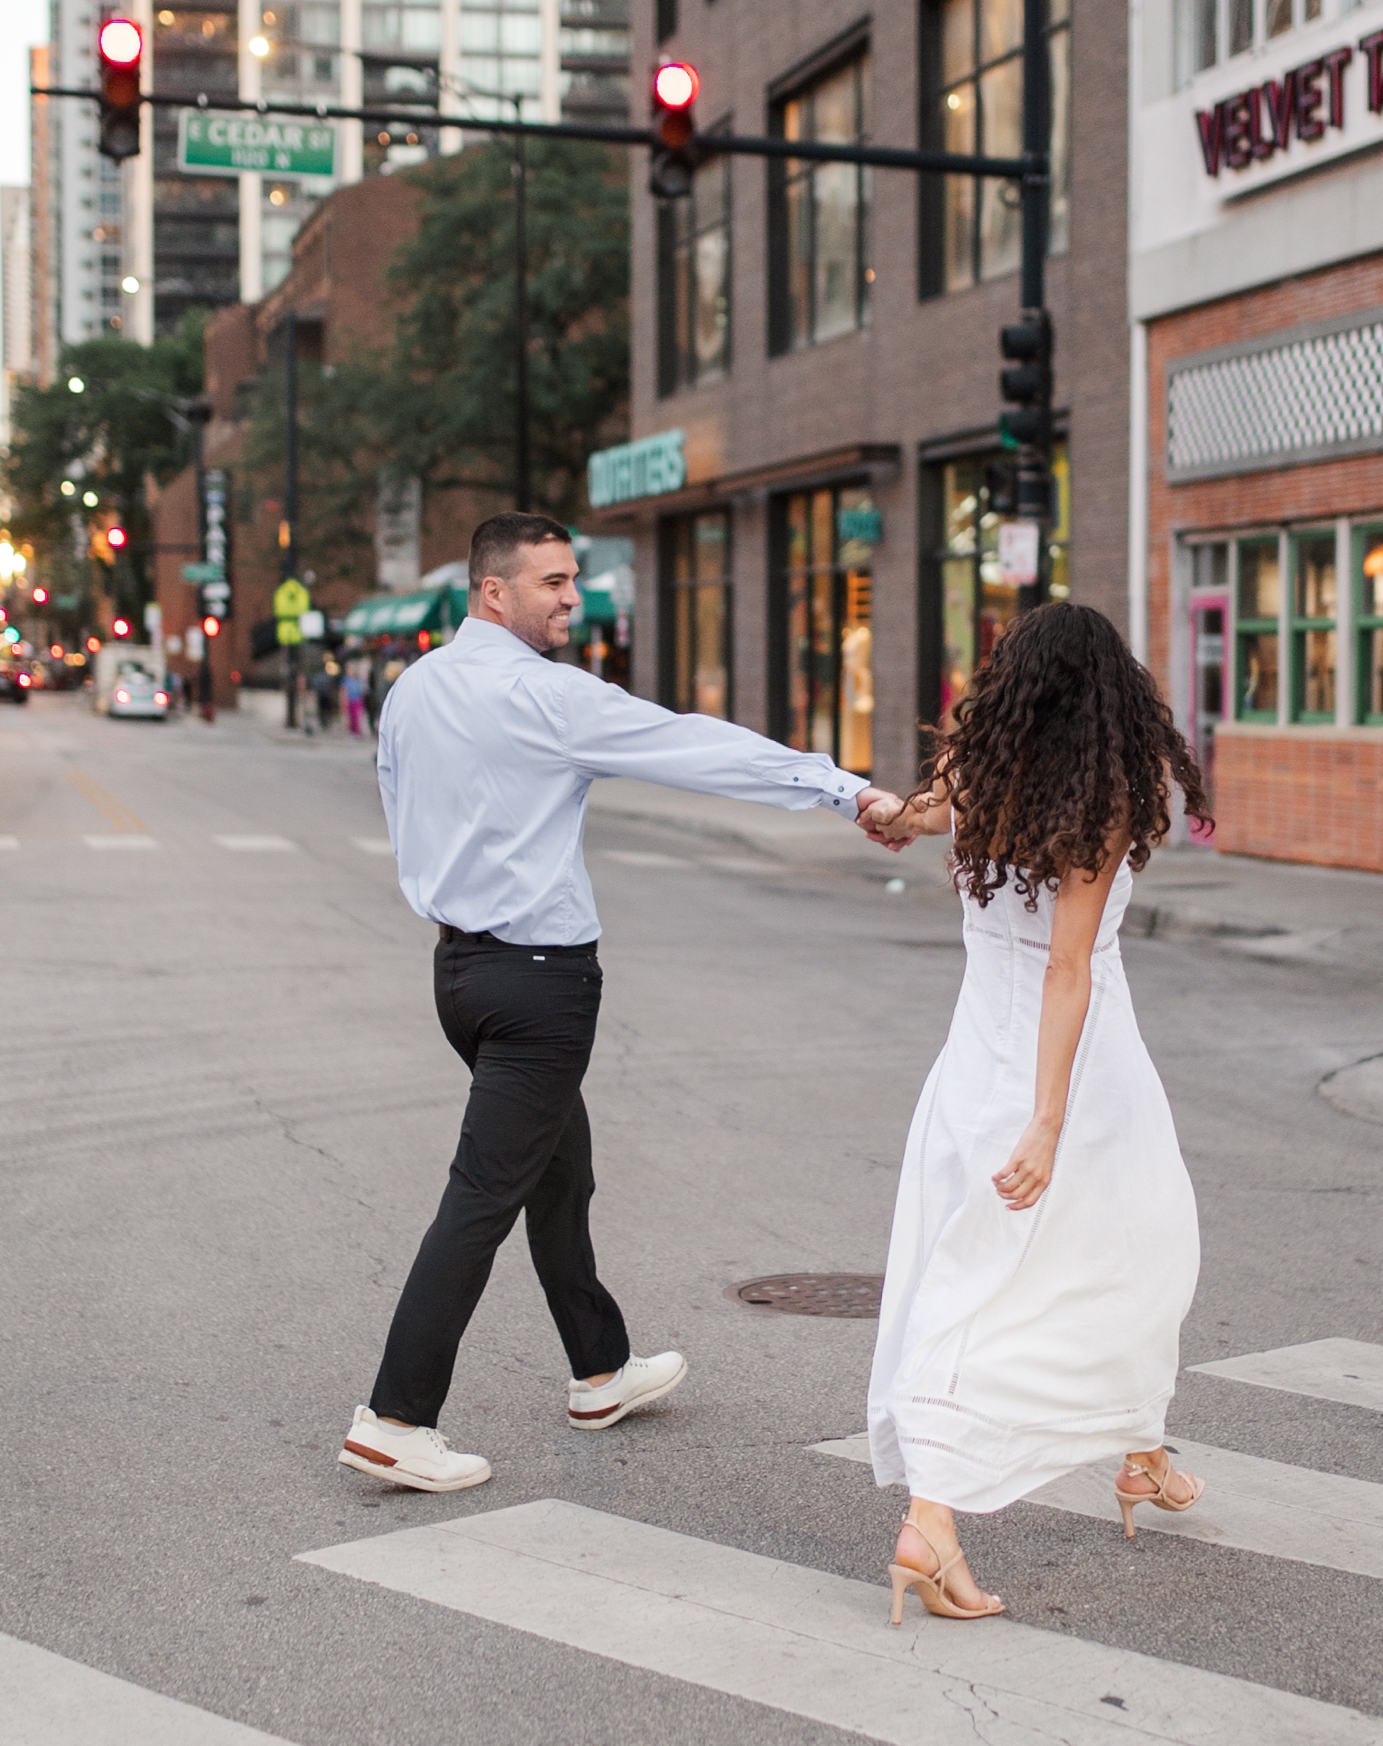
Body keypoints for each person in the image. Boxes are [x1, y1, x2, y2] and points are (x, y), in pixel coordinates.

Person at [340, 512, 900, 1493]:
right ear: (492, 593)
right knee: (482, 1196)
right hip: (540, 983)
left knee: (560, 1173)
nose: (572, 596)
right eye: (551, 581)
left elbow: (402, 806)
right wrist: (837, 787)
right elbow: (688, 745)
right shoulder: (546, 695)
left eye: (572, 579)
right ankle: (396, 1414)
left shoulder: (413, 690)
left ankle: (599, 1368)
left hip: (460, 975)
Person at [857, 602, 1210, 1624]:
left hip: (975, 1063)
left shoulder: (979, 777)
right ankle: (933, 1515)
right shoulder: (1100, 799)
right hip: (1075, 1075)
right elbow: (1067, 968)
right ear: (1112, 696)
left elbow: (912, 814)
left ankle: (1143, 1452)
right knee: (1099, 1261)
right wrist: (1050, 1121)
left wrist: (884, 809)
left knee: (1029, 1262)